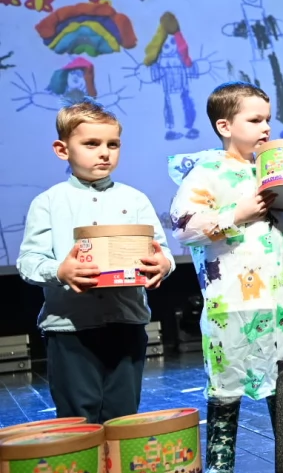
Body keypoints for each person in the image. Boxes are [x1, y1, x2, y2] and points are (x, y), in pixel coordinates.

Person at [168, 82, 283, 473]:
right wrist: (235, 213)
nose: (265, 127)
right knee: (227, 381)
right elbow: (184, 226)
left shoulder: (272, 169)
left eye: (267, 119)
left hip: (281, 298)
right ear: (225, 125)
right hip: (233, 300)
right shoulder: (207, 171)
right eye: (254, 119)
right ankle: (220, 462)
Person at [17, 100, 174, 424]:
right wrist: (60, 270)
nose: (104, 152)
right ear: (63, 149)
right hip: (71, 328)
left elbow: (161, 252)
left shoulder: (135, 199)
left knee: (123, 415)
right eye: (91, 143)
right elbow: (29, 260)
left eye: (112, 144)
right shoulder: (48, 202)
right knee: (78, 416)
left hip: (127, 323)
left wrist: (163, 265)